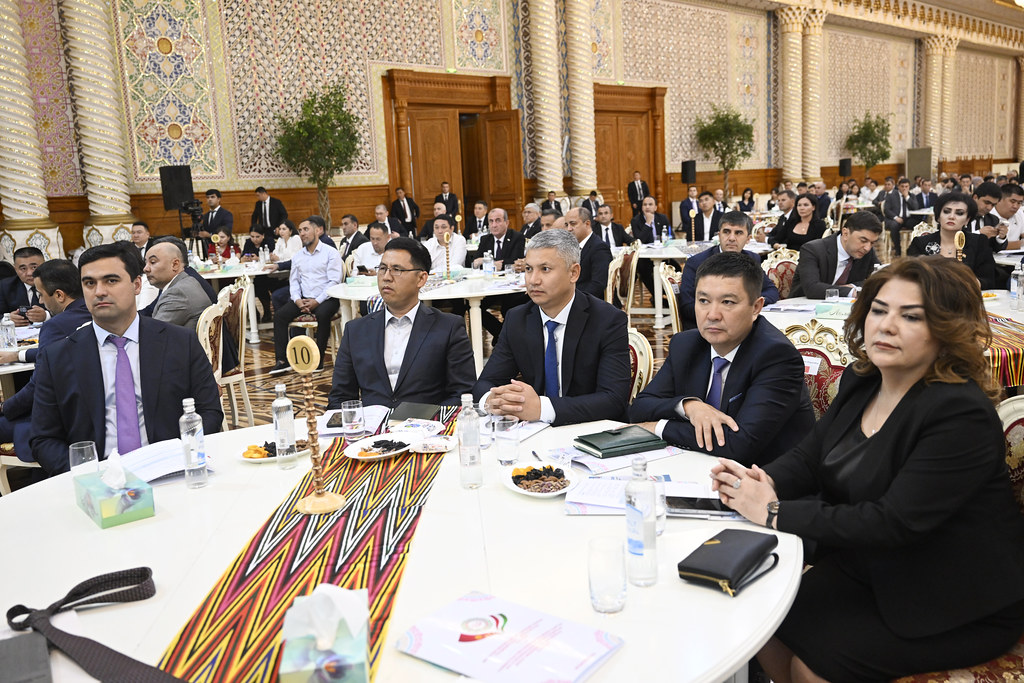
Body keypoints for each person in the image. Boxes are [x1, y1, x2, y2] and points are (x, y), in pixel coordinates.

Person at [712, 257, 1024, 681]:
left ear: (947, 330)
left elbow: (893, 522)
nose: (886, 326)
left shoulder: (959, 413)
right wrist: (759, 480)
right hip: (869, 566)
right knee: (756, 615)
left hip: (950, 596)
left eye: (911, 316)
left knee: (810, 667)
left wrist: (773, 512)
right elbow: (810, 457)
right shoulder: (864, 379)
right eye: (879, 310)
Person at [30, 242, 222, 475]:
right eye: (89, 283)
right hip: (97, 479)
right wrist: (87, 476)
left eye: (111, 281)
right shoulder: (58, 357)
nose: (99, 291)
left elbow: (209, 411)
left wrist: (183, 458)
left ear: (137, 284)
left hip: (171, 470)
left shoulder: (180, 342)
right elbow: (44, 438)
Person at [631, 251, 812, 464]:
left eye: (727, 302)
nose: (712, 315)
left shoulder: (777, 357)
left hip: (762, 475)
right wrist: (689, 406)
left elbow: (738, 445)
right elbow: (639, 408)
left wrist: (657, 427)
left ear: (756, 307)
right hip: (696, 465)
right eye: (703, 300)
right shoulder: (686, 345)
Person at [473, 229, 630, 426]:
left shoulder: (607, 320)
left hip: (592, 431)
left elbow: (613, 400)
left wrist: (542, 408)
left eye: (545, 269)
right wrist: (492, 401)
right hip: (534, 433)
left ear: (573, 273)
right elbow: (485, 383)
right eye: (528, 269)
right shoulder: (517, 319)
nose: (533, 280)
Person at [328, 238, 475, 409]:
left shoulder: (448, 328)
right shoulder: (356, 331)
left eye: (397, 270)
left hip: (429, 423)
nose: (386, 277)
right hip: (372, 424)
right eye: (383, 268)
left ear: (421, 279)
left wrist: (428, 420)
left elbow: (463, 393)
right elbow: (340, 397)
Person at [0, 259, 92, 467]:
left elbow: (39, 384)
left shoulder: (55, 326)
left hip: (61, 419)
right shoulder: (94, 312)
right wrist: (19, 355)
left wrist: (5, 406)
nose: (40, 301)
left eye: (41, 295)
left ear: (59, 295)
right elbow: (67, 349)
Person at [678, 212, 779, 326]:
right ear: (719, 235)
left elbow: (771, 290)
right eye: (726, 232)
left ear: (748, 239)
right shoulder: (696, 263)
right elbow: (687, 306)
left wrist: (749, 306)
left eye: (738, 233)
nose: (731, 238)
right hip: (706, 326)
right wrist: (728, 313)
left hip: (744, 326)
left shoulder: (752, 258)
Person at [269, 216, 343, 374]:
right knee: (280, 316)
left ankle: (318, 360)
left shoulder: (330, 252)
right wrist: (297, 300)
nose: (302, 233)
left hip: (327, 298)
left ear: (317, 231)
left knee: (323, 314)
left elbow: (334, 281)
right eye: (300, 230)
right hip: (303, 299)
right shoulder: (298, 256)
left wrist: (317, 301)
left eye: (306, 229)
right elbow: (294, 282)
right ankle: (282, 361)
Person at [907, 192, 997, 290]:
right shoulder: (920, 243)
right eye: (946, 211)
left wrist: (970, 283)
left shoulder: (979, 242)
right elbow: (910, 278)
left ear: (967, 220)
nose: (952, 216)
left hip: (967, 296)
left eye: (959, 213)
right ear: (938, 216)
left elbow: (989, 280)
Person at [789, 211, 882, 298]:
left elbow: (880, 279)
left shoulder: (866, 252)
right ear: (845, 234)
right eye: (863, 240)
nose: (867, 248)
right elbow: (811, 288)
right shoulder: (813, 250)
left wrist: (853, 286)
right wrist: (851, 292)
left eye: (872, 243)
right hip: (802, 305)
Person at [143, 241, 211, 332]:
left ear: (175, 264)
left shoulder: (177, 293)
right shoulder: (188, 280)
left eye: (153, 262)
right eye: (146, 263)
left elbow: (153, 333)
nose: (145, 269)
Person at [565, 207, 611, 298]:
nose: (569, 229)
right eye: (567, 225)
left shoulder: (599, 248)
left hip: (589, 301)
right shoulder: (571, 246)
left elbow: (598, 284)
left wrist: (573, 299)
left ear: (587, 224)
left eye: (573, 224)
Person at [0, 247, 47, 327]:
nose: (29, 273)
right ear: (15, 269)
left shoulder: (57, 283)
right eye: (23, 268)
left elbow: (67, 311)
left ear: (44, 265)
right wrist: (6, 319)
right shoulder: (4, 286)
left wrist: (46, 316)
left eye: (34, 267)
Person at [883, 177, 915, 255]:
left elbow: (915, 207)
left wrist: (907, 197)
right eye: (902, 186)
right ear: (898, 187)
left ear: (909, 187)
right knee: (894, 225)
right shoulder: (891, 195)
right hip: (894, 219)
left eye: (906, 186)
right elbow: (886, 210)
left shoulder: (912, 195)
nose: (904, 188)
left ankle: (913, 249)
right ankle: (897, 249)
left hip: (908, 219)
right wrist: (896, 217)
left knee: (918, 224)